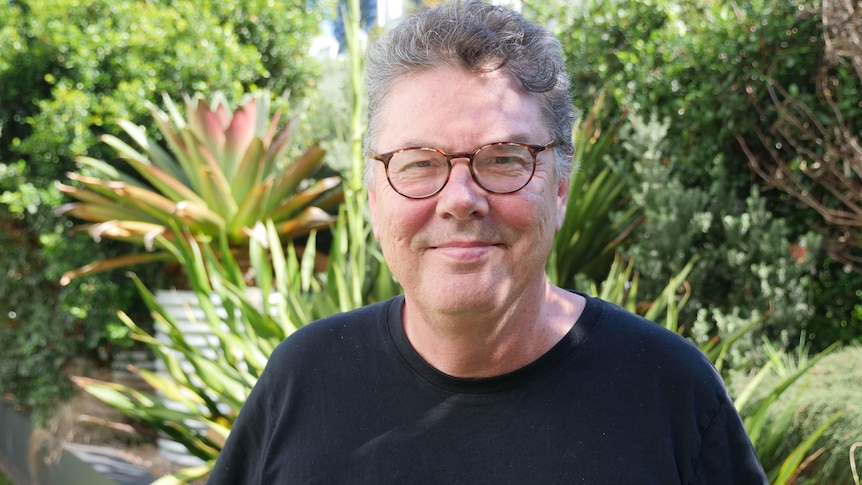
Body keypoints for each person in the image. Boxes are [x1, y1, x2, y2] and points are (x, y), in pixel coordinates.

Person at [208, 1, 768, 483]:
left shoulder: (668, 392)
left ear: (561, 189)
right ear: (375, 197)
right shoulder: (304, 381)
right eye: (419, 163)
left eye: (503, 160)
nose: (460, 198)